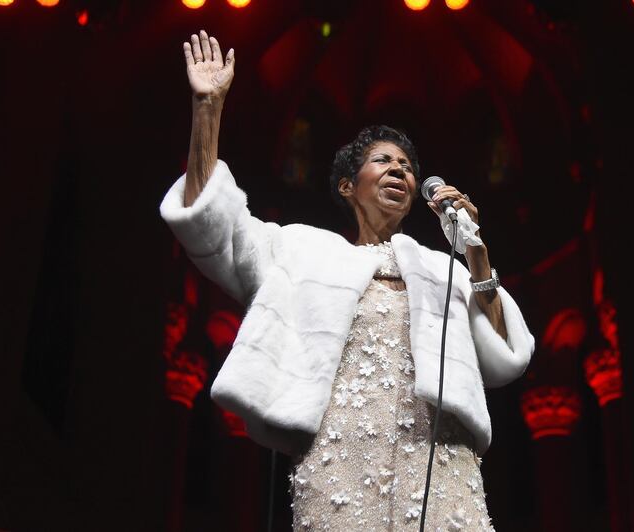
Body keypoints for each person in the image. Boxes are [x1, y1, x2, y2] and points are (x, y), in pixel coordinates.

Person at [160, 30, 535, 531]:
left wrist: (476, 254)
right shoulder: (302, 251)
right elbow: (214, 227)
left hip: (442, 468)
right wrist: (207, 112)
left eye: (406, 165)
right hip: (341, 466)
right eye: (383, 160)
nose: (399, 169)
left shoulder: (441, 268)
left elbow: (505, 357)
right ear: (346, 185)